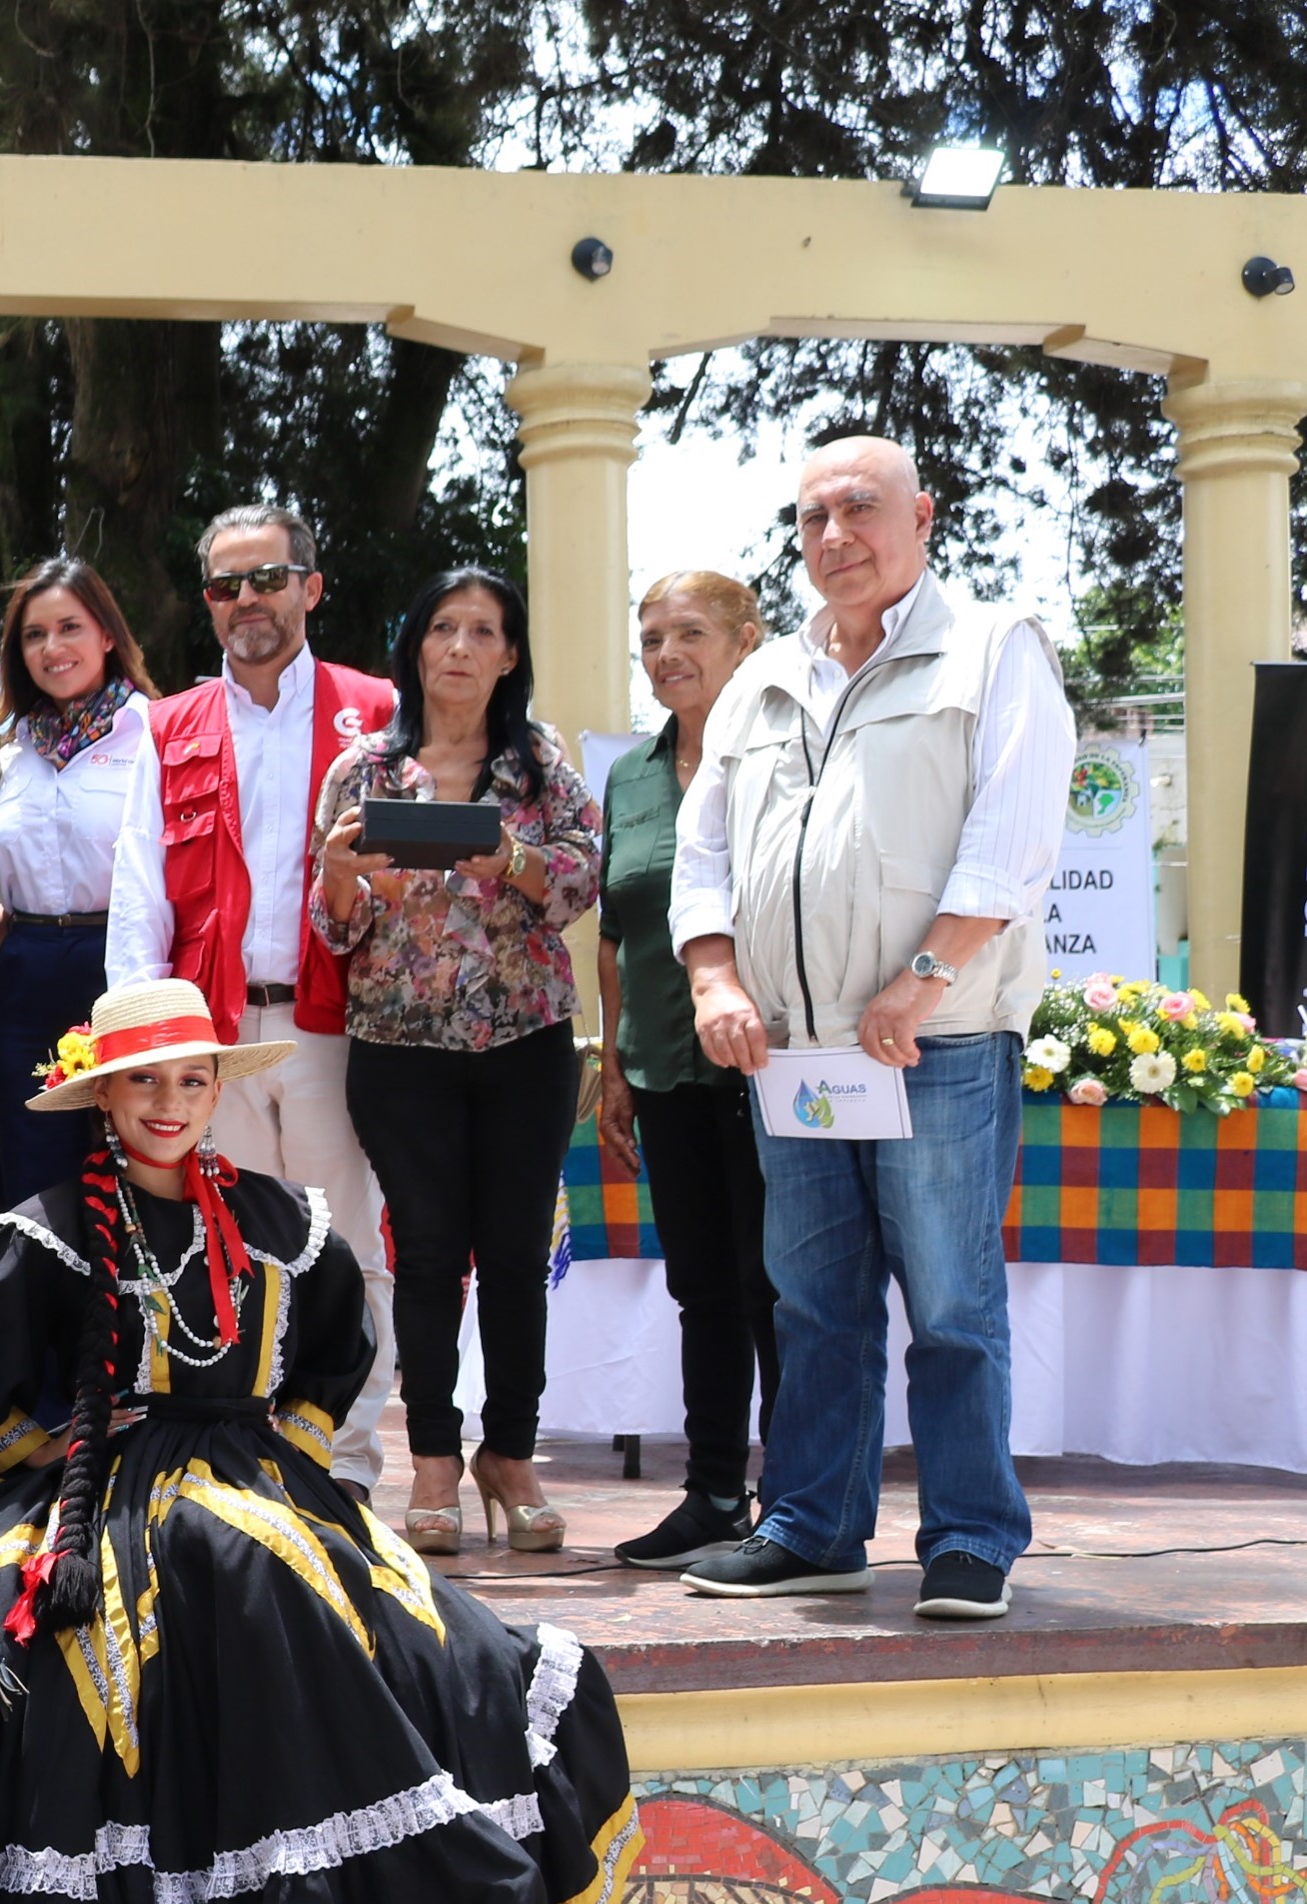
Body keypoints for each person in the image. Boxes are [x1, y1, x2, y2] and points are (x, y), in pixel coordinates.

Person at [0, 979, 637, 1904]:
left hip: (265, 1481)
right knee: (246, 1569)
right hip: (113, 1498)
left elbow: (330, 1363)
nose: (168, 1101)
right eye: (144, 1082)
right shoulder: (42, 1236)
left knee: (448, 1648)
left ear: (217, 1089)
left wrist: (281, 1463)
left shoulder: (283, 1221)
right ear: (103, 1095)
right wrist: (69, 1454)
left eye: (190, 1079)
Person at [672, 436, 1065, 1623]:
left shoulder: (994, 648)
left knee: (948, 1299)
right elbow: (704, 849)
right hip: (792, 1046)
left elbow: (1014, 833)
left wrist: (928, 977)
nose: (834, 535)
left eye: (860, 508)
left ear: (923, 514)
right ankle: (811, 1528)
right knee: (812, 1299)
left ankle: (969, 1537)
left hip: (929, 1037)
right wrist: (712, 980)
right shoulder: (765, 674)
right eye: (811, 517)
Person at [105, 503, 401, 1497]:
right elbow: (139, 884)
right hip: (213, 1033)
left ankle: (343, 1463)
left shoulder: (376, 710)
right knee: (228, 1247)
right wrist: (141, 1037)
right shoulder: (169, 723)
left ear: (310, 588)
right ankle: (246, 1453)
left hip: (332, 1027)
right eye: (226, 586)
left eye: (266, 579)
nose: (247, 602)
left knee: (348, 1250)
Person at [309, 568, 601, 1554]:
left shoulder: (542, 764)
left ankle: (507, 1456)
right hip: (398, 1051)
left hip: (525, 1043)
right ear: (417, 648)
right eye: (444, 628)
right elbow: (332, 928)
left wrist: (507, 860)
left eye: (485, 631)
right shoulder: (363, 772)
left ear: (510, 653)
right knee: (428, 1256)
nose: (463, 648)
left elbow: (580, 881)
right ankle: (433, 1456)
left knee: (517, 1257)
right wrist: (343, 879)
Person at [596, 572, 778, 1569]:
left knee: (778, 1289)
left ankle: (795, 1499)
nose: (667, 653)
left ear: (747, 640)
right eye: (651, 637)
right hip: (664, 1072)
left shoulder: (788, 756)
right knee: (703, 1290)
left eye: (690, 633)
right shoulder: (630, 776)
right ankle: (713, 1494)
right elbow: (614, 934)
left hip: (773, 1067)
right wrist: (617, 1069)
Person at [0, 555, 157, 1211]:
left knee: (125, 1159)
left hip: (119, 968)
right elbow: (13, 894)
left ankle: (122, 1311)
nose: (52, 648)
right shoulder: (12, 752)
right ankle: (35, 1310)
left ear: (107, 633)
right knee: (31, 1165)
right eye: (34, 634)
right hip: (26, 975)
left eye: (70, 627)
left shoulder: (155, 736)